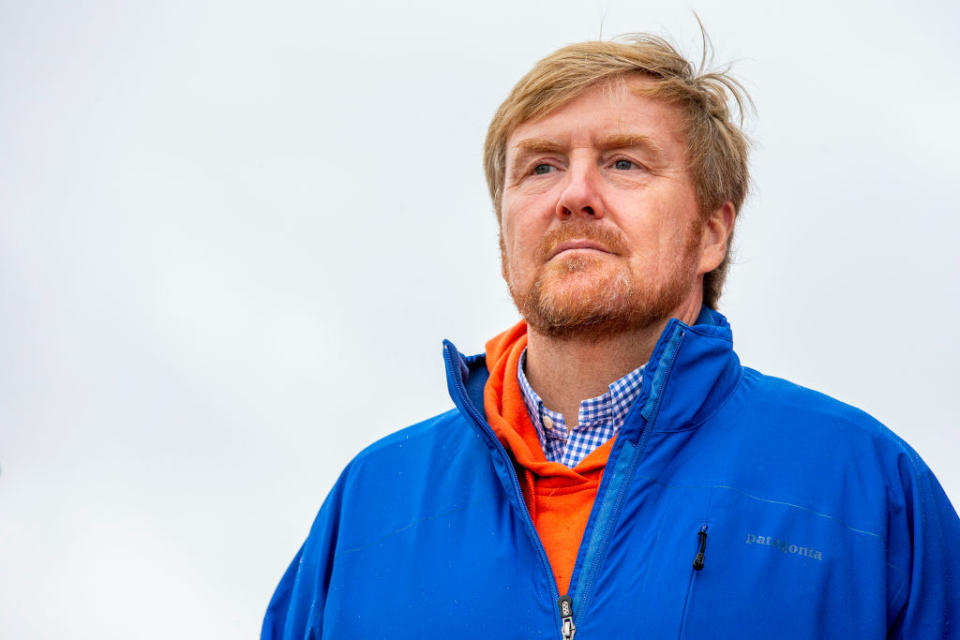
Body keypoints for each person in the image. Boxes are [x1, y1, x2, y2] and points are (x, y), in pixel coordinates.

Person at [261, 32, 960, 639]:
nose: (575, 193)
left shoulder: (866, 491)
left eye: (624, 162)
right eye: (540, 166)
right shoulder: (367, 509)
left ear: (712, 232)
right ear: (505, 241)